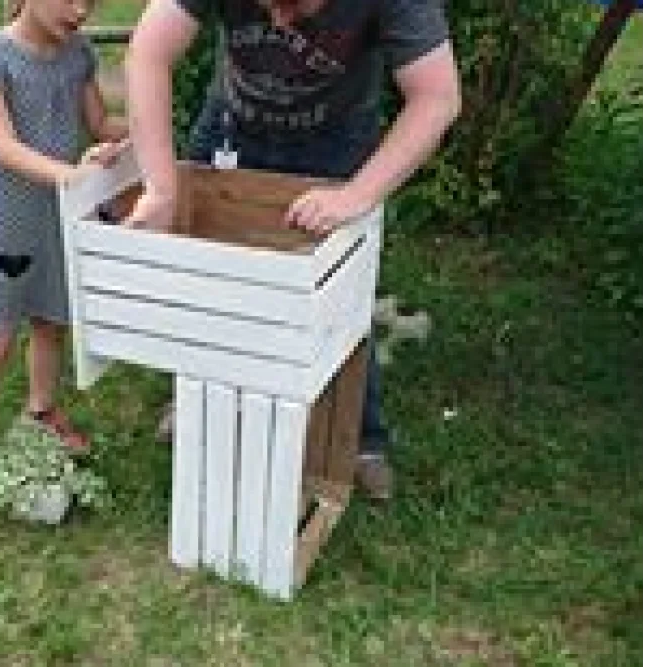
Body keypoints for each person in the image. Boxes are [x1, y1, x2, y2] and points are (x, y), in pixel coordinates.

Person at [125, 0, 461, 500]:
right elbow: (148, 53)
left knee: (341, 293)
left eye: (296, 3)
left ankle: (357, 440)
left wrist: (357, 195)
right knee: (211, 282)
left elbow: (436, 98)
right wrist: (161, 186)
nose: (279, 20)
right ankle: (199, 401)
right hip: (231, 129)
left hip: (338, 141)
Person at [0, 0, 127, 503]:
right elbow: (3, 146)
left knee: (51, 322)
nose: (81, 11)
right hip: (9, 222)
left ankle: (41, 413)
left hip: (62, 218)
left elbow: (100, 124)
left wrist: (131, 137)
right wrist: (70, 175)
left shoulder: (79, 54)